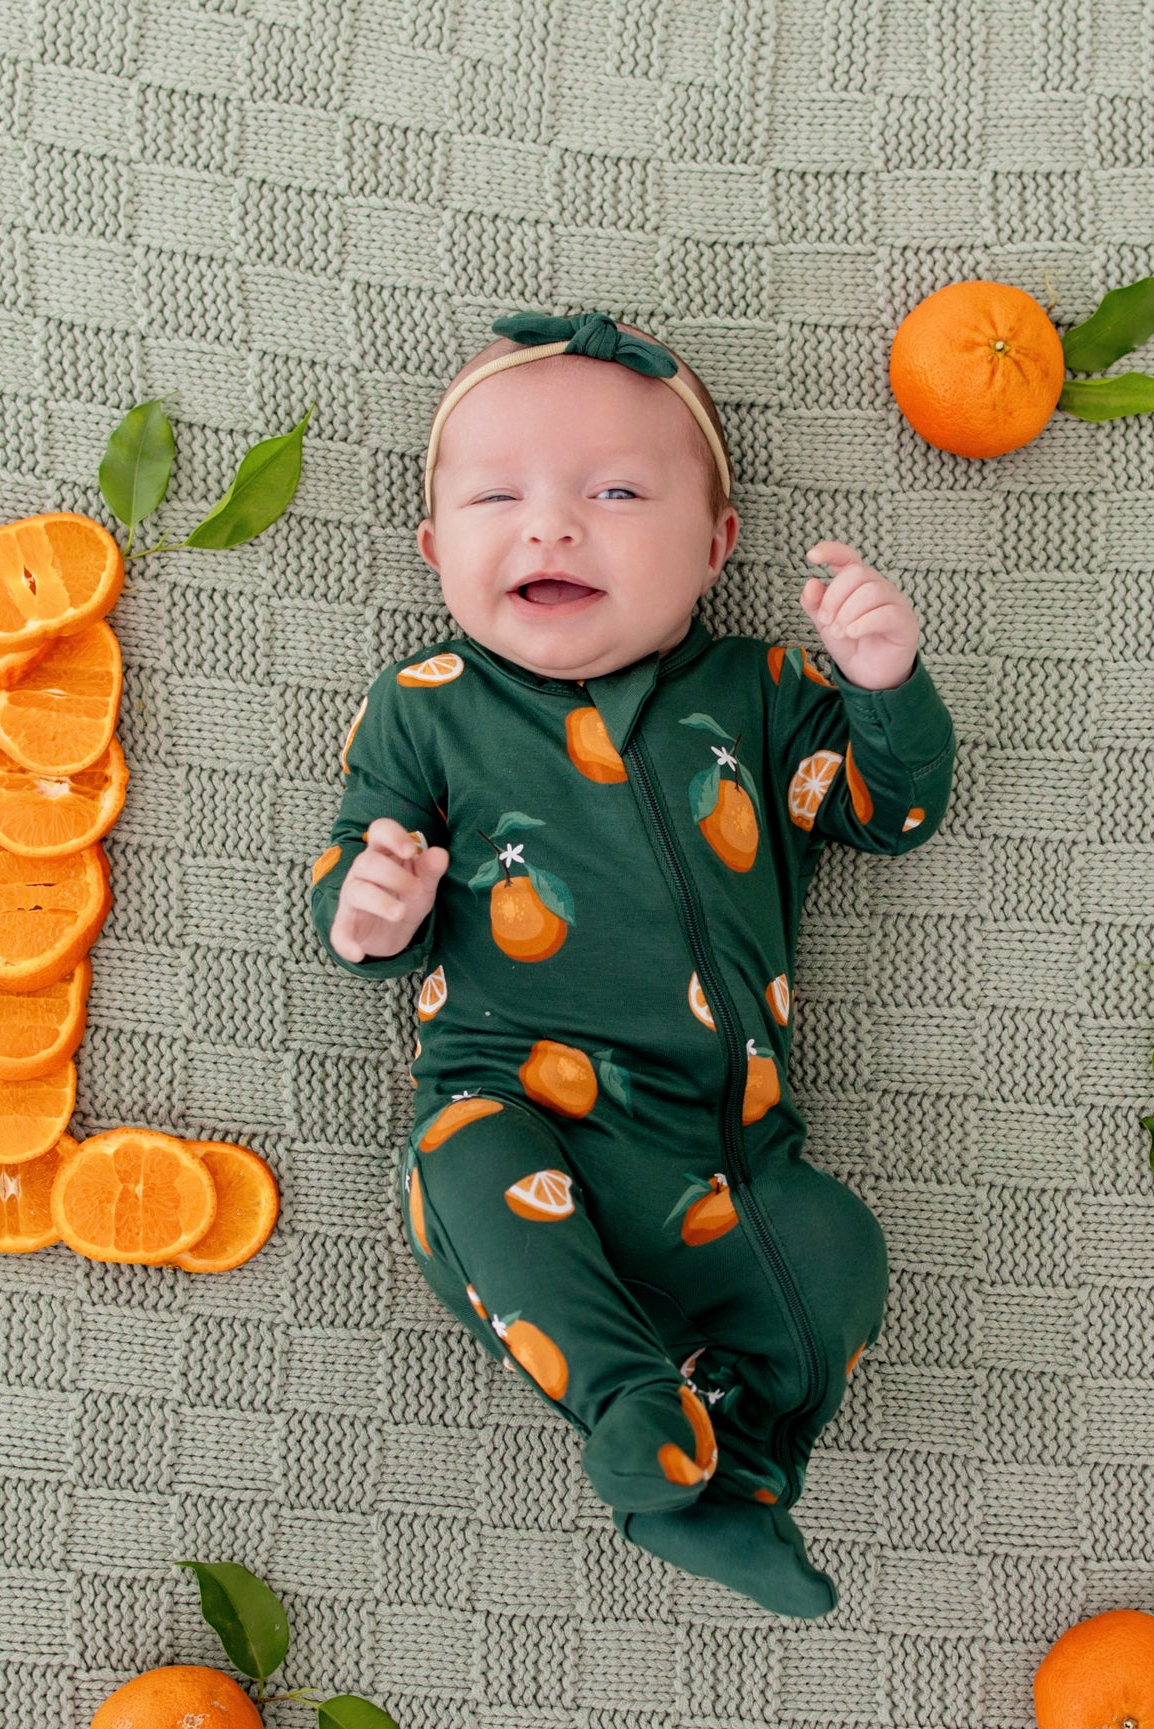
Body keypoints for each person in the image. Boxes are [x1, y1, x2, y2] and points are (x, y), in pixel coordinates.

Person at [307, 311, 956, 1617]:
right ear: (438, 551)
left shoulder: (760, 692)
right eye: (498, 497)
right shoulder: (427, 705)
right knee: (463, 1166)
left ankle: (744, 1472)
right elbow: (350, 895)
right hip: (514, 1104)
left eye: (615, 493)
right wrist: (372, 909)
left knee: (834, 1255)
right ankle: (636, 1419)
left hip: (731, 1151)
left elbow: (890, 811)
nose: (551, 527)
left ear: (715, 546)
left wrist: (885, 683)